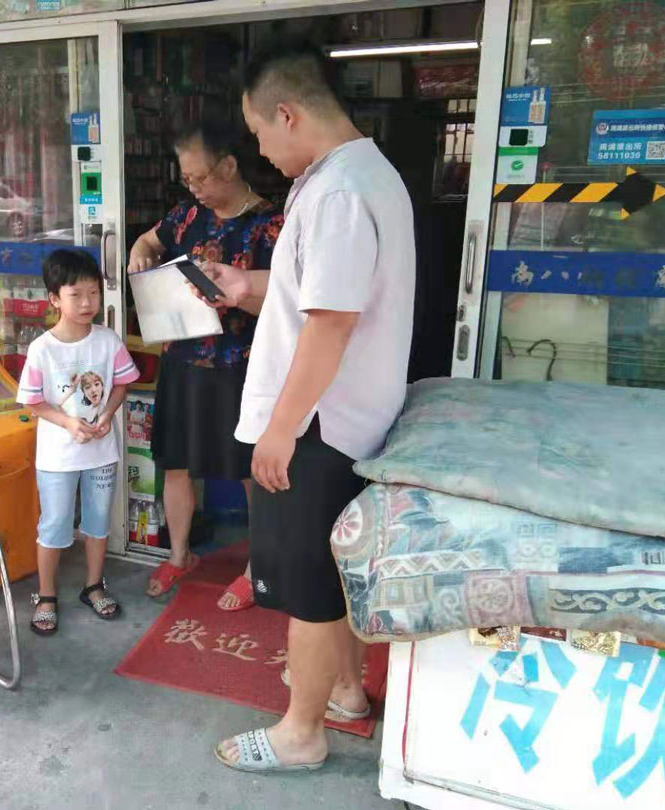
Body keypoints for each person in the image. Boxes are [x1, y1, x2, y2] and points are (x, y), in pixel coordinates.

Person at [199, 40, 415, 772]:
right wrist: (245, 286)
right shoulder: (358, 175)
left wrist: (281, 430)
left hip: (319, 424)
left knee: (309, 589)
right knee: (334, 573)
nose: (260, 149)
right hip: (344, 417)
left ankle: (301, 733)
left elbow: (330, 323)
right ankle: (346, 692)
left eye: (259, 132)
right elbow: (315, 292)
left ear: (287, 114)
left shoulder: (338, 194)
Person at [127, 120, 283, 611]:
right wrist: (140, 253)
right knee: (176, 463)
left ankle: (259, 567)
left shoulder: (270, 224)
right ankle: (180, 555)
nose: (192, 187)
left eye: (199, 177)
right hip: (183, 361)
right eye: (186, 178)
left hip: (240, 367)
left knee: (249, 472)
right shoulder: (186, 215)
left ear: (230, 166)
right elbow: (148, 241)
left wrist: (236, 296)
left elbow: (284, 303)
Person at [17, 249, 140, 635]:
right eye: (76, 295)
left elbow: (122, 384)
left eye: (93, 293)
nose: (87, 303)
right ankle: (46, 595)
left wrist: (106, 415)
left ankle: (93, 586)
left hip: (101, 453)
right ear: (54, 298)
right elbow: (33, 403)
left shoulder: (107, 340)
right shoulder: (42, 349)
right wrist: (69, 422)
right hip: (57, 457)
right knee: (54, 524)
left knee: (97, 521)